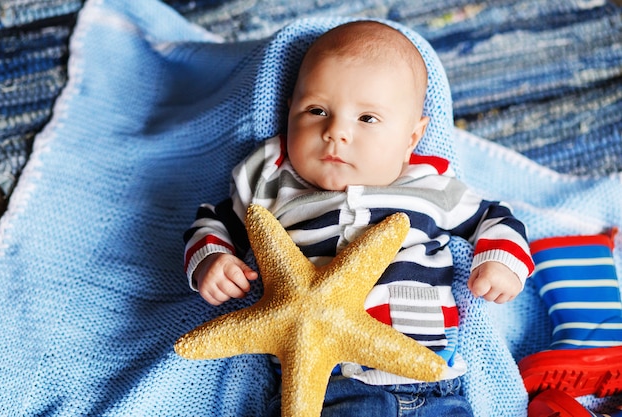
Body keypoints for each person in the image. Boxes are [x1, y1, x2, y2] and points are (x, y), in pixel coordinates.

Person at [183, 20, 534, 416]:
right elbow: (212, 221)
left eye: (367, 118)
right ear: (288, 114)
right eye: (316, 110)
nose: (335, 132)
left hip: (431, 382)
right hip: (324, 388)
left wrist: (500, 260)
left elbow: (495, 217)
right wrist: (211, 260)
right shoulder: (271, 183)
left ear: (411, 138)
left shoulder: (432, 187)